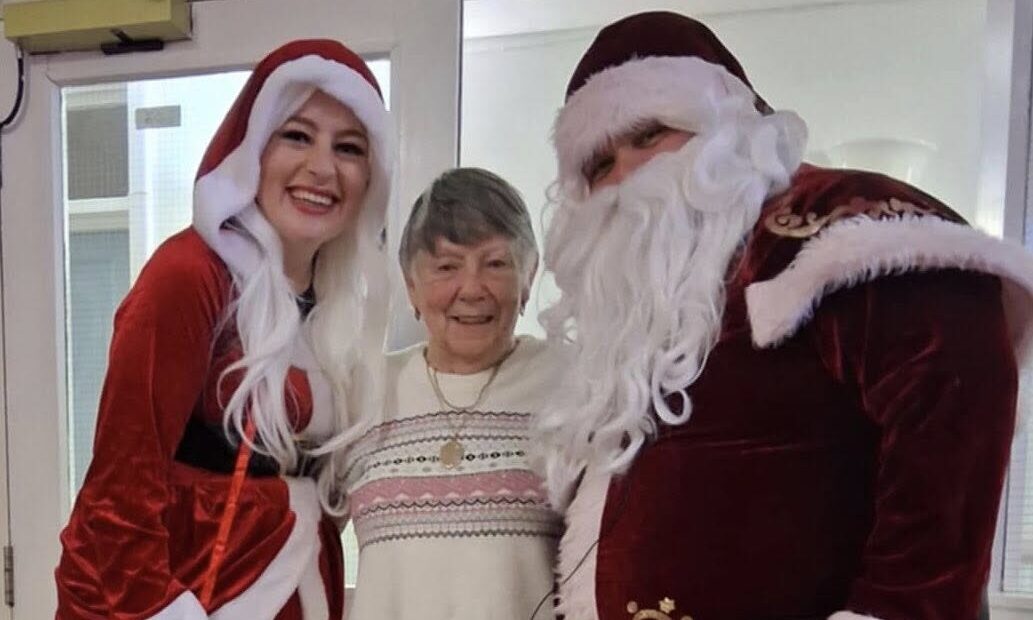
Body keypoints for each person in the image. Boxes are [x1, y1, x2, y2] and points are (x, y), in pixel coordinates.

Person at [534, 11, 1033, 620]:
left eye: (648, 136)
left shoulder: (836, 223)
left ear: (723, 124)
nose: (626, 177)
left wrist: (896, 607)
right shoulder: (632, 317)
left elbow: (953, 399)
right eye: (599, 166)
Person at [54, 39, 393, 618]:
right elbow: (120, 491)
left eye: (349, 147)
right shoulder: (190, 276)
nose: (322, 167)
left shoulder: (337, 308)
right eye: (297, 136)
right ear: (253, 147)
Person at [341, 167, 564, 620]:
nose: (472, 289)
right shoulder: (363, 392)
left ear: (529, 275)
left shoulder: (573, 384)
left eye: (496, 263)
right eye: (446, 266)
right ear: (411, 285)